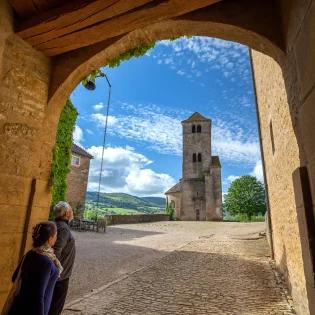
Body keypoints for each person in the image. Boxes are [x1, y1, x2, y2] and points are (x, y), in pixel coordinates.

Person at [4, 221, 63, 315]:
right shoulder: (46, 262)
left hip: (20, 305)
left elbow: (15, 277)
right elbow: (39, 295)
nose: (57, 237)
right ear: (50, 239)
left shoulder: (30, 253)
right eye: (56, 234)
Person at [48, 201, 76, 315]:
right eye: (71, 209)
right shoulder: (63, 228)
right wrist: (56, 272)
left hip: (57, 275)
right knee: (55, 307)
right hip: (60, 276)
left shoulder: (55, 224)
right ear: (67, 213)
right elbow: (56, 251)